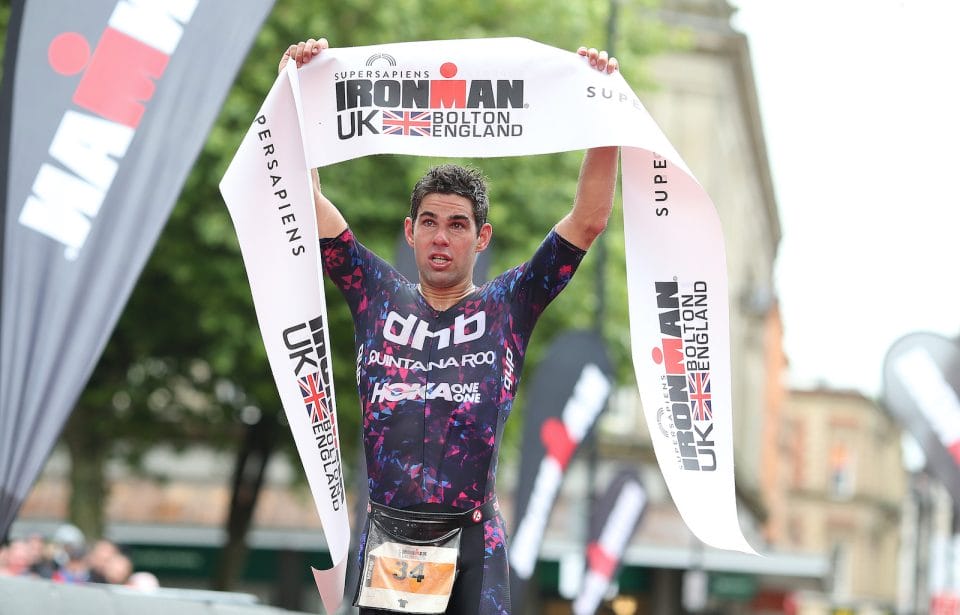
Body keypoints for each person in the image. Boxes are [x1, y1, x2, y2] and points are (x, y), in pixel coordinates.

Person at [279, 38, 619, 615]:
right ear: (409, 231)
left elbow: (588, 221)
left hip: (473, 541)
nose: (442, 237)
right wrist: (295, 88)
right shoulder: (375, 295)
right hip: (393, 539)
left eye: (458, 225)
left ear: (481, 238)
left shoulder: (508, 305)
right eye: (430, 223)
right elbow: (305, 201)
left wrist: (603, 106)